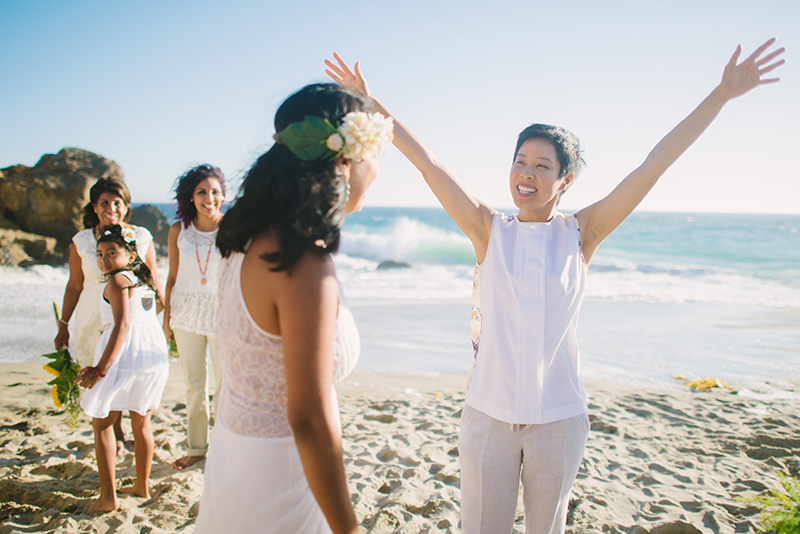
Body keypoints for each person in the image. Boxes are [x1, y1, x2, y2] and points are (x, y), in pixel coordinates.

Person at [325, 38, 785, 534]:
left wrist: (719, 95)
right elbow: (428, 163)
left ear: (564, 181)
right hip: (488, 418)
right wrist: (370, 105)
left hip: (559, 420)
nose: (526, 174)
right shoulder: (488, 229)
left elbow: (653, 165)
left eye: (542, 166)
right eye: (520, 160)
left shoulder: (581, 233)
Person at [194, 83, 392, 534]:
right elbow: (308, 418)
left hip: (234, 453)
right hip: (281, 474)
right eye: (373, 153)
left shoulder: (242, 237)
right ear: (343, 160)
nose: (378, 170)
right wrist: (349, 528)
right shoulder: (303, 264)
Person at [55, 177, 163, 455]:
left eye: (117, 203)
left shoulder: (139, 237)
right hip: (93, 317)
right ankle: (114, 433)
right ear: (94, 206)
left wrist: (163, 316)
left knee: (129, 373)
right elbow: (74, 285)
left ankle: (124, 431)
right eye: (104, 203)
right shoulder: (81, 240)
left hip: (130, 317)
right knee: (104, 380)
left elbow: (152, 279)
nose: (111, 208)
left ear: (126, 207)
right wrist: (63, 325)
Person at [75, 225, 170, 512]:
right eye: (100, 254)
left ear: (130, 254)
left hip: (123, 356)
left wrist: (99, 369)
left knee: (102, 423)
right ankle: (142, 486)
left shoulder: (117, 281)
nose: (103, 259)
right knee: (141, 423)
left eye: (112, 253)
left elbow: (123, 326)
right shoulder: (144, 279)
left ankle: (108, 498)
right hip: (152, 355)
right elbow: (157, 309)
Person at [162, 164, 226, 471]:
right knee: (194, 386)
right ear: (191, 197)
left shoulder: (233, 229)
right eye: (202, 192)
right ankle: (197, 448)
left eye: (215, 191)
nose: (209, 198)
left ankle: (227, 448)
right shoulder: (178, 231)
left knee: (225, 386)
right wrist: (167, 319)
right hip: (185, 315)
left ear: (223, 195)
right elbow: (172, 277)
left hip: (222, 315)